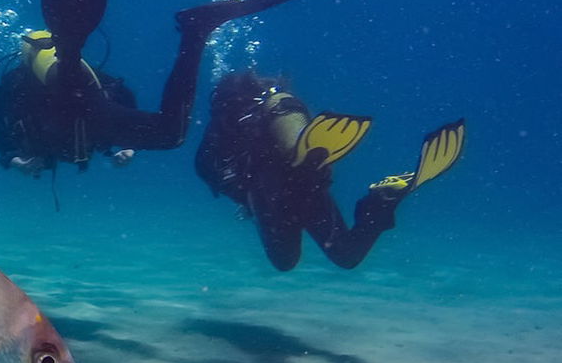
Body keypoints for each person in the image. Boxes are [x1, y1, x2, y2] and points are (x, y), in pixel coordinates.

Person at [0, 0, 342, 176]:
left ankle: (193, 32)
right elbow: (116, 91)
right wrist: (125, 143)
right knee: (168, 133)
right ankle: (194, 31)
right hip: (90, 105)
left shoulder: (14, 86)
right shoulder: (19, 87)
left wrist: (13, 157)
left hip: (81, 106)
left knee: (169, 134)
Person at [194, 71, 466, 270]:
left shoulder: (223, 126)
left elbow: (204, 167)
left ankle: (298, 144)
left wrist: (242, 195)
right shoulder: (250, 114)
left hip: (271, 192)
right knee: (346, 255)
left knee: (285, 261)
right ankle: (380, 201)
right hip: (306, 185)